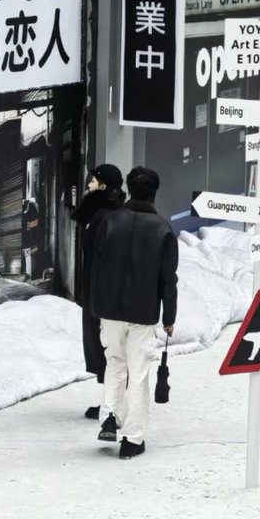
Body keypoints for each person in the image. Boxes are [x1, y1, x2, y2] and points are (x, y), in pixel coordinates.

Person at [90, 166, 178, 459]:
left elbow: (96, 265)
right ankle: (132, 439)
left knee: (114, 362)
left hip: (109, 310)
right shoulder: (163, 229)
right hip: (142, 313)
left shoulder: (110, 221)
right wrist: (169, 317)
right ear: (154, 192)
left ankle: (109, 417)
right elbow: (168, 279)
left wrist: (96, 304)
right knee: (138, 374)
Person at [72, 164, 124, 418]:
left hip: (101, 290)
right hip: (94, 287)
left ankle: (113, 403)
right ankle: (110, 400)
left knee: (105, 344)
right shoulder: (97, 212)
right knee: (99, 342)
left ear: (103, 185)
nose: (88, 182)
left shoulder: (104, 216)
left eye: (93, 180)